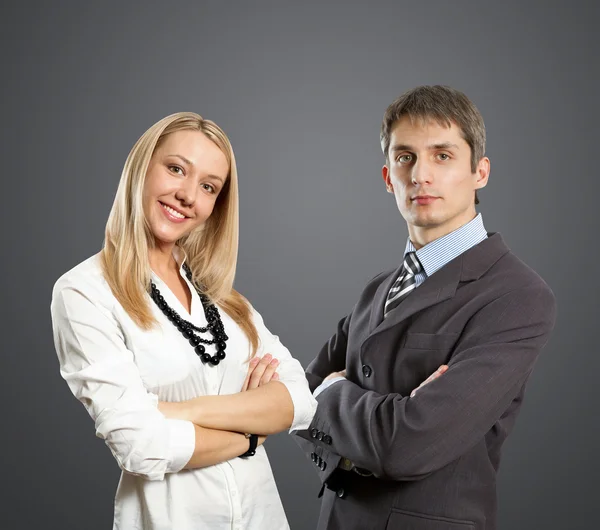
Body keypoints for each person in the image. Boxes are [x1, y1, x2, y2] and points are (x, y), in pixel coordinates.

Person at [294, 85, 557, 530]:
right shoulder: (378, 288)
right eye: (405, 157)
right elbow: (294, 400)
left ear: (480, 172)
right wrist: (370, 418)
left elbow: (408, 445)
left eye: (443, 155)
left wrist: (331, 394)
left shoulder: (518, 296)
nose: (420, 175)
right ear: (387, 177)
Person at [51, 112, 317, 530]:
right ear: (141, 167)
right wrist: (250, 431)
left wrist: (177, 410)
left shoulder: (225, 300)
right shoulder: (84, 292)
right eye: (176, 169)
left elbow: (300, 401)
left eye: (208, 186)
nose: (188, 195)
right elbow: (141, 446)